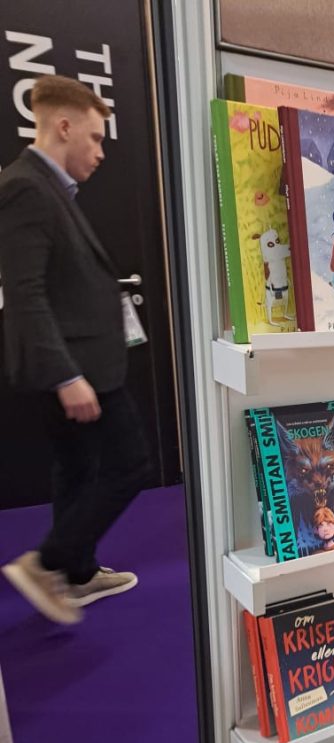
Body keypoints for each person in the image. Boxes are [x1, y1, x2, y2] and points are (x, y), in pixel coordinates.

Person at [0, 75, 152, 625]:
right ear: (63, 127)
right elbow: (25, 295)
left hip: (84, 364)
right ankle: (49, 564)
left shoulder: (49, 189)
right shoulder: (25, 189)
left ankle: (78, 574)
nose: (101, 152)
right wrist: (67, 377)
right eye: (95, 138)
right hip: (76, 369)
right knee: (130, 464)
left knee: (78, 467)